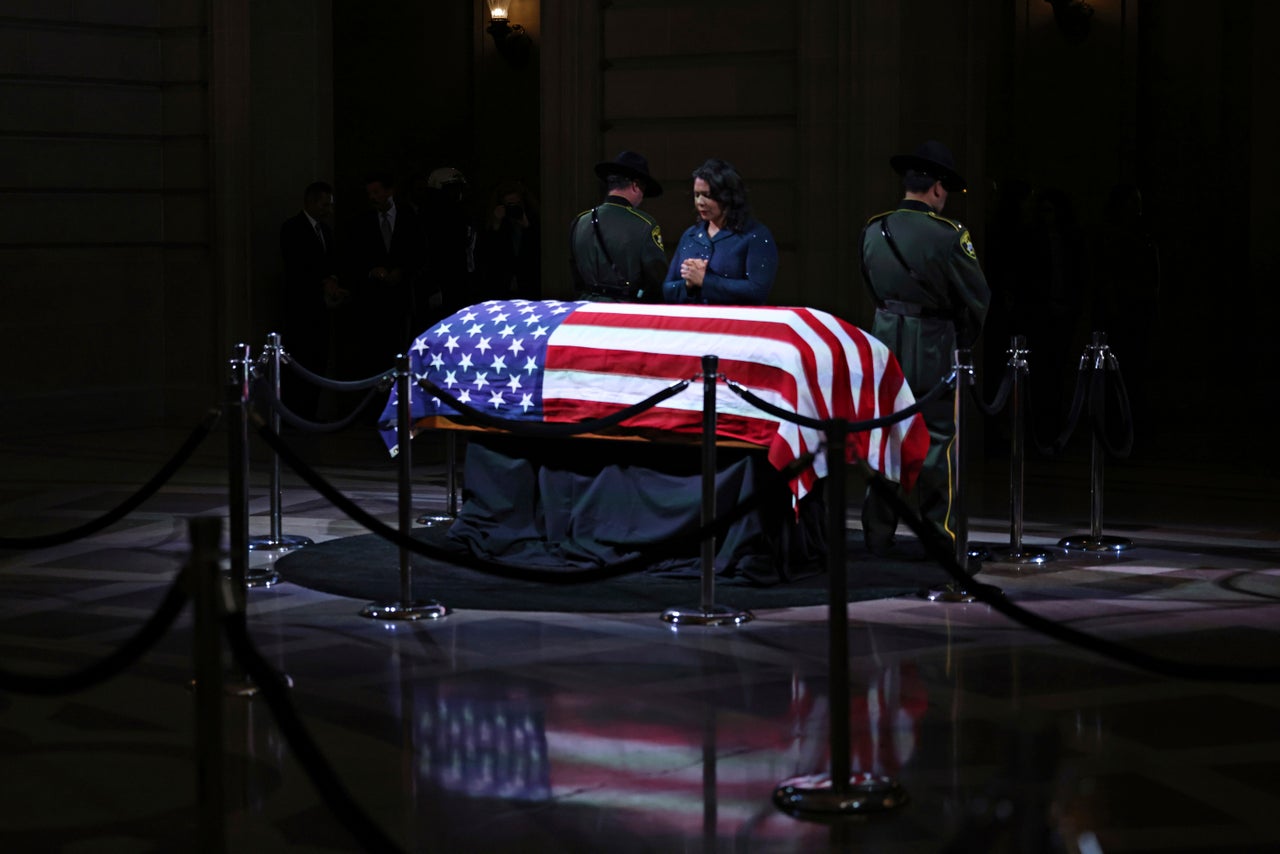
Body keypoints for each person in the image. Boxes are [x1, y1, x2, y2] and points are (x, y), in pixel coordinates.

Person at [858, 140, 990, 557]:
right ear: (936, 188)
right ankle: (940, 537)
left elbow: (871, 285)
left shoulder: (873, 230)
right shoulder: (948, 235)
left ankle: (876, 534)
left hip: (883, 340)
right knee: (937, 440)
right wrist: (963, 341)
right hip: (932, 343)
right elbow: (978, 298)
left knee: (886, 436)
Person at [344, 171, 430, 376]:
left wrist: (402, 271)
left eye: (376, 192)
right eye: (369, 193)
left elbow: (421, 253)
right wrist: (372, 271)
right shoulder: (362, 222)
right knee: (375, 357)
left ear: (389, 191)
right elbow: (354, 257)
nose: (372, 197)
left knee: (401, 350)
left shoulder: (409, 216)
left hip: (402, 297)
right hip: (373, 302)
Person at [662, 158, 777, 305]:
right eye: (696, 195)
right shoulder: (690, 235)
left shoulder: (755, 235)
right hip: (693, 324)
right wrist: (688, 285)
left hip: (735, 325)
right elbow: (667, 289)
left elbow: (757, 291)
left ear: (728, 196)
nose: (700, 202)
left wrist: (705, 280)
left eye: (707, 195)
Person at [278, 181, 347, 419]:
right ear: (311, 202)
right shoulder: (292, 228)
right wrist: (322, 282)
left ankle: (310, 412)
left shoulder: (326, 232)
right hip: (300, 310)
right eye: (325, 204)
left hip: (321, 310)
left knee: (318, 361)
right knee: (300, 361)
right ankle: (294, 413)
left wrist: (334, 281)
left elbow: (331, 262)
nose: (329, 209)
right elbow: (297, 266)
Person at [568, 150, 667, 302]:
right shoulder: (645, 224)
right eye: (643, 191)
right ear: (635, 186)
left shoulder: (580, 221)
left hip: (585, 311)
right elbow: (656, 281)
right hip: (624, 315)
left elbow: (576, 278)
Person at [474, 179, 541, 302]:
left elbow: (537, 252)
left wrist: (527, 226)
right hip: (501, 288)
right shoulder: (496, 225)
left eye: (517, 204)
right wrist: (496, 225)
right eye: (510, 205)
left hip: (528, 287)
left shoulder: (533, 221)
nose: (514, 208)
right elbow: (487, 255)